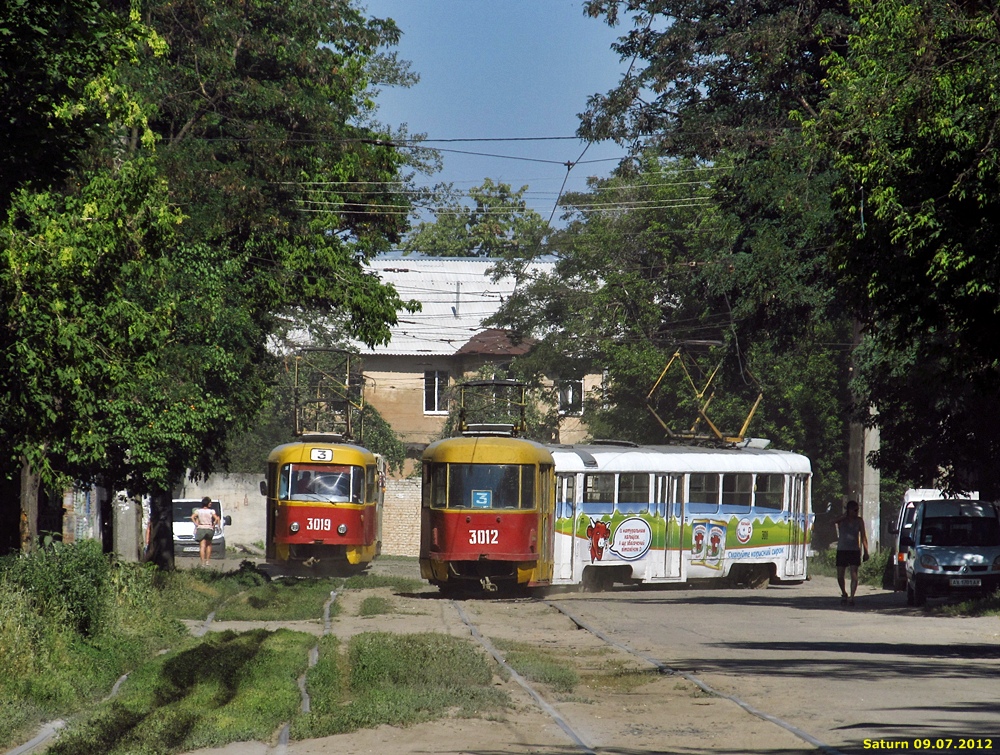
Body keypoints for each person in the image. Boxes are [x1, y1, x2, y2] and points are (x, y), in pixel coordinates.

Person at [834, 499, 870, 605]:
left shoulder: (859, 521)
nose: (856, 512)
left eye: (857, 510)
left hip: (854, 550)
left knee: (854, 574)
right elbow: (831, 522)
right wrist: (844, 516)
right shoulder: (842, 520)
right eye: (854, 510)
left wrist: (866, 551)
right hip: (842, 549)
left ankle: (852, 597)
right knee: (840, 575)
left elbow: (863, 536)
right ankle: (844, 593)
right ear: (848, 510)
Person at [191, 497, 220, 566]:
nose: (211, 503)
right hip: (209, 528)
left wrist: (196, 524)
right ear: (207, 503)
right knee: (209, 545)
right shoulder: (211, 511)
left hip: (201, 528)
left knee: (202, 546)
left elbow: (192, 517)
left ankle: (202, 562)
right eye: (210, 502)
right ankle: (207, 561)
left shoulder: (198, 511)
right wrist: (214, 524)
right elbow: (217, 518)